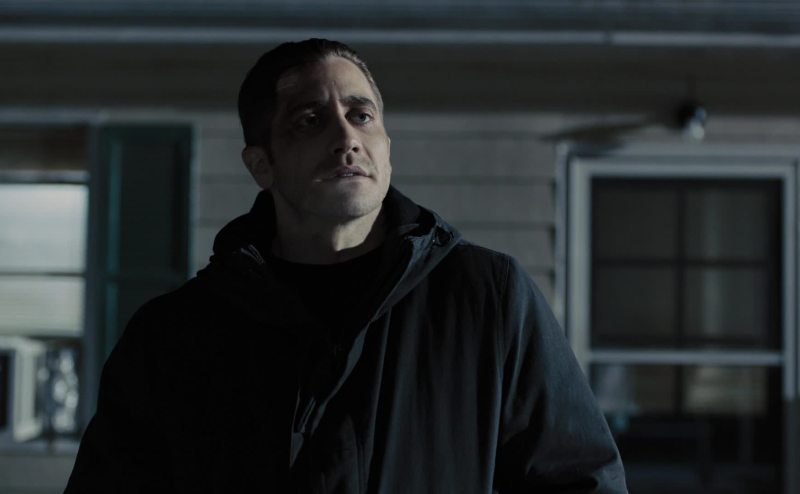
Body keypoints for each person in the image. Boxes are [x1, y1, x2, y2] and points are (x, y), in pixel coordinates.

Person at [65, 38, 627, 493]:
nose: (346, 138)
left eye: (362, 115)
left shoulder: (486, 299)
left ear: (387, 148)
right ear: (261, 164)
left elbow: (579, 480)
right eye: (310, 120)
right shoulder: (176, 336)